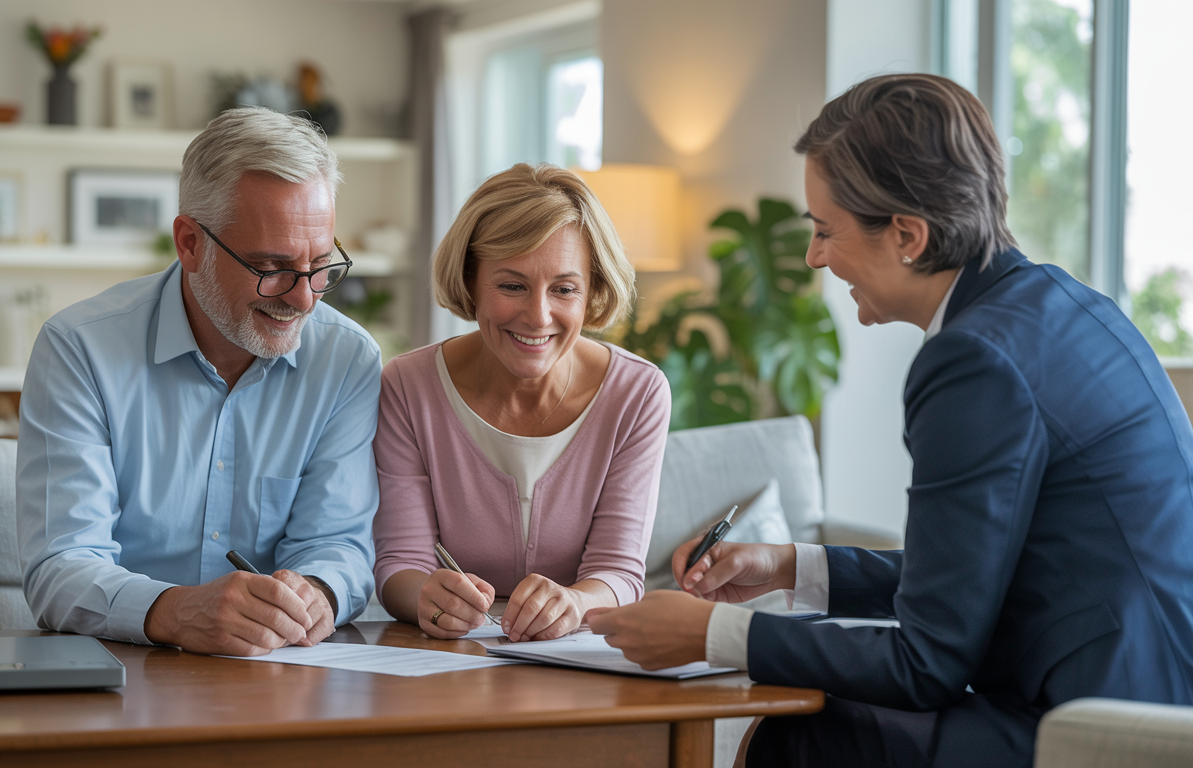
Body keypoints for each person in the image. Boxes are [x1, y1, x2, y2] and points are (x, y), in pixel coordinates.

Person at [586, 73, 1193, 767]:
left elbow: (926, 662)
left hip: (1087, 730)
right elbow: (970, 575)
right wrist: (791, 566)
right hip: (1157, 699)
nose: (814, 256)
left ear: (906, 234)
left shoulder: (974, 362)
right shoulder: (1070, 306)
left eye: (824, 231)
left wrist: (716, 634)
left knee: (806, 738)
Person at [16, 107, 382, 657]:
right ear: (189, 243)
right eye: (271, 267)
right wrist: (179, 611)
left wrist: (318, 593)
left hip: (282, 668)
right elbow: (61, 565)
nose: (304, 298)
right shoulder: (80, 348)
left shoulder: (348, 359)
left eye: (321, 265)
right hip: (121, 670)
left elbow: (337, 544)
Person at [373, 163, 670, 643]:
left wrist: (577, 602)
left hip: (577, 658)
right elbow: (399, 565)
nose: (538, 315)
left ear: (592, 290)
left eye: (565, 289)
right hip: (450, 661)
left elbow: (618, 573)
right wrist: (428, 595)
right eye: (512, 285)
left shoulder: (637, 393)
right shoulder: (409, 386)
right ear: (471, 281)